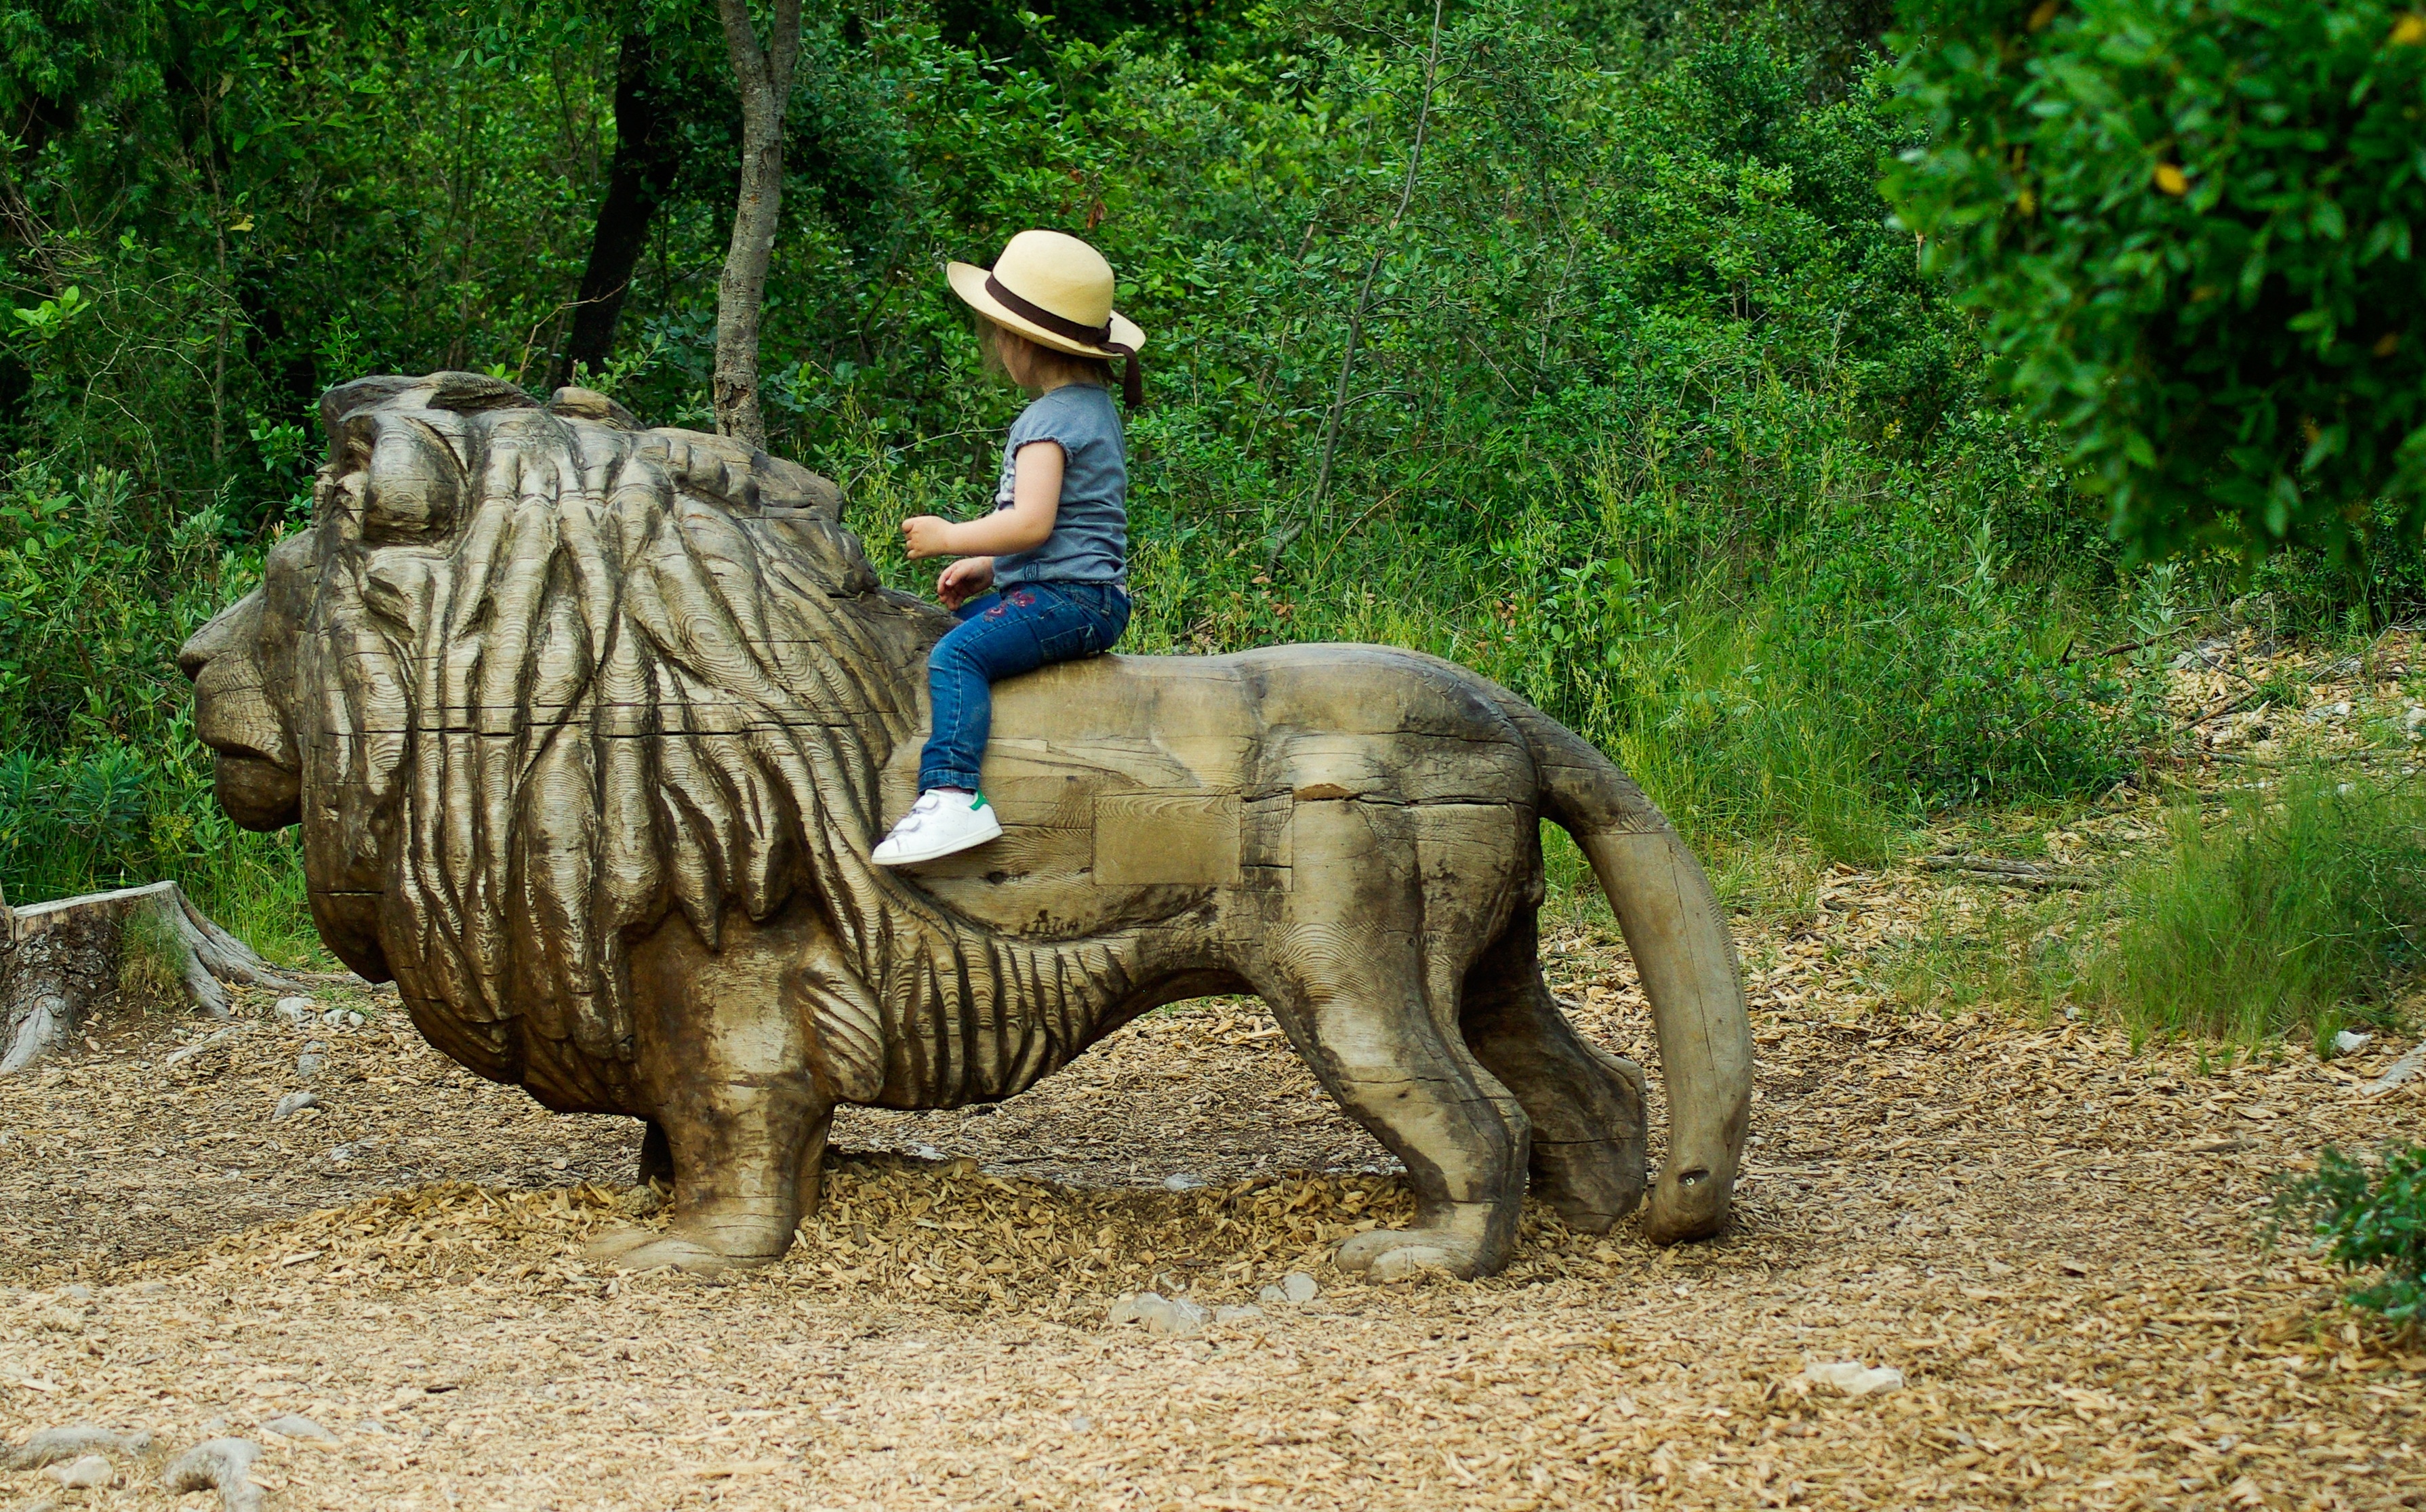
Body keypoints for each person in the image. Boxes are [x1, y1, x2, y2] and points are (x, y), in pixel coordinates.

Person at [872, 228, 1145, 866]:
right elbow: (1073, 526)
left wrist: (949, 538)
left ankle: (950, 795)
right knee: (951, 627)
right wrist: (988, 567)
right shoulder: (1092, 407)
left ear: (1020, 341)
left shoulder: (1046, 421)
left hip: (1069, 600)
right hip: (1085, 594)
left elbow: (1032, 524)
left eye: (996, 332)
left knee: (954, 655)